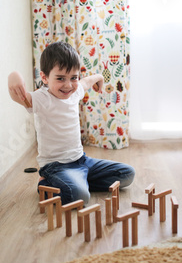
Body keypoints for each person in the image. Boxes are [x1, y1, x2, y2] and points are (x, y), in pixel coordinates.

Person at [8, 41, 135, 204]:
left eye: (73, 77)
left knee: (127, 174)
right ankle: (46, 185)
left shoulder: (74, 92)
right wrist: (13, 78)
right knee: (80, 196)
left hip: (81, 161)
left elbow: (86, 82)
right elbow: (21, 98)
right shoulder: (42, 98)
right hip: (56, 167)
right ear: (45, 77)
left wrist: (100, 77)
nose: (68, 85)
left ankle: (78, 182)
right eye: (60, 78)